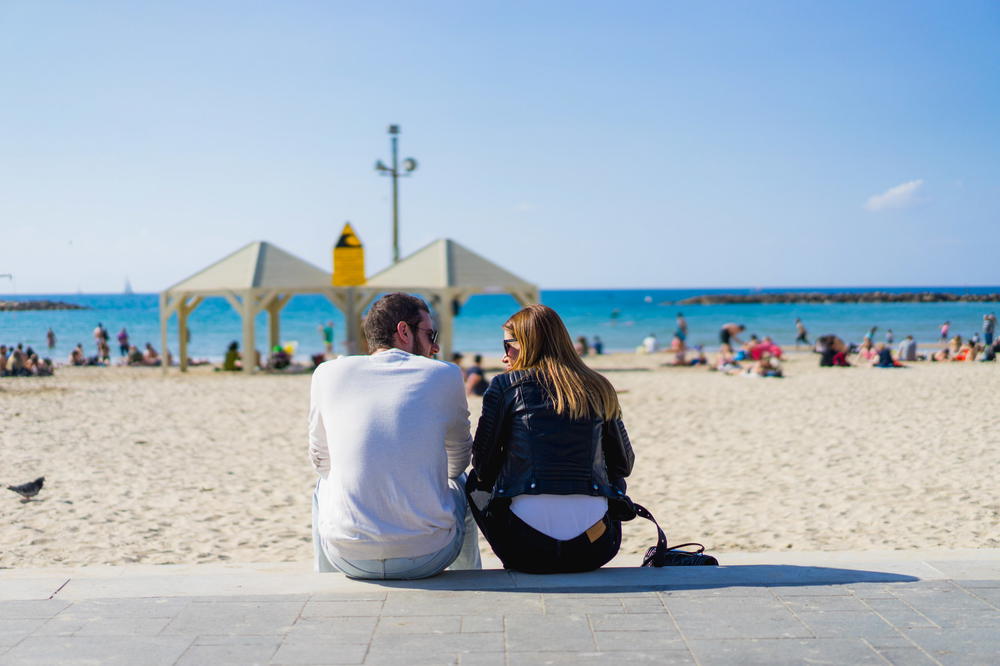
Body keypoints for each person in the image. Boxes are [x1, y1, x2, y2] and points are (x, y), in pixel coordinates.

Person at [309, 292, 480, 579]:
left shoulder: (326, 373)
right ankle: (469, 577)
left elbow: (321, 462)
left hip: (348, 558)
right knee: (463, 482)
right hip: (429, 556)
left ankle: (326, 582)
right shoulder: (445, 374)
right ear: (403, 331)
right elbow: (458, 463)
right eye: (429, 334)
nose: (435, 346)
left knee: (321, 486)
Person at [467, 304, 633, 574]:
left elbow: (483, 466)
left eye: (507, 345)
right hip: (594, 547)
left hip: (525, 549)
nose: (503, 355)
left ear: (527, 344)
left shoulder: (504, 386)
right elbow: (623, 465)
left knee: (473, 480)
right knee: (614, 480)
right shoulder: (599, 385)